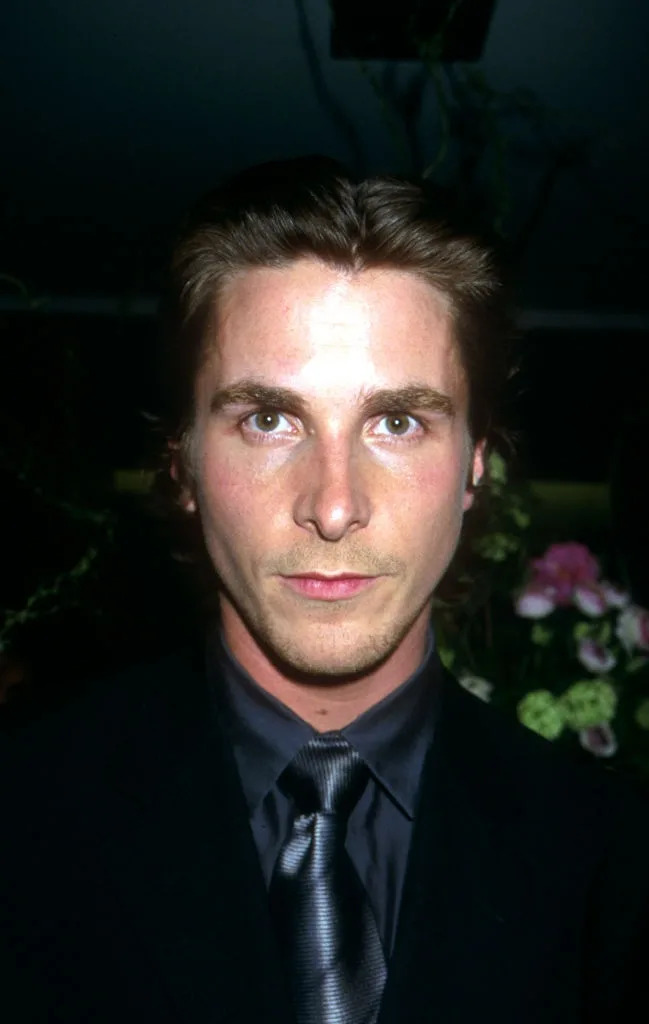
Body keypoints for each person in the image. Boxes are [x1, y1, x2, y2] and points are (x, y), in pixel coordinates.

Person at [1, 156, 647, 1024]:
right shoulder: (24, 814)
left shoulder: (612, 856)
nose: (334, 506)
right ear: (181, 462)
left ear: (474, 468)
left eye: (396, 422)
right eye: (268, 420)